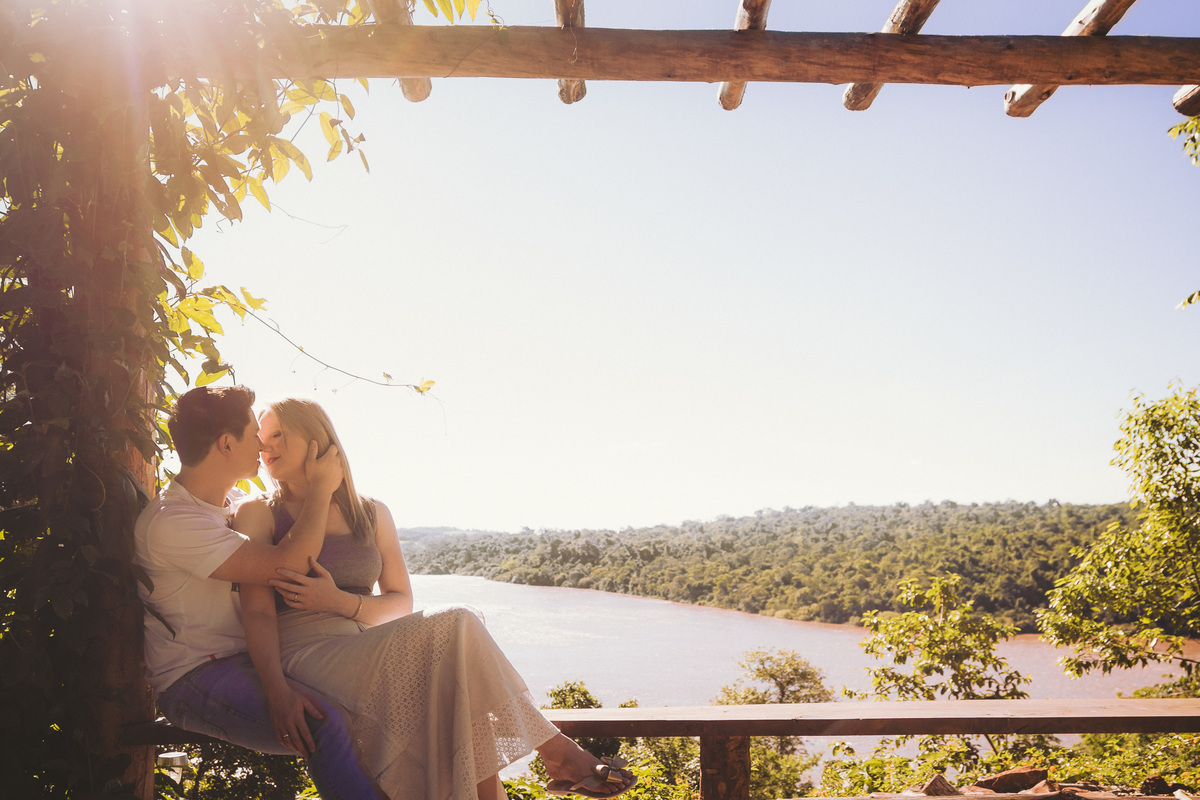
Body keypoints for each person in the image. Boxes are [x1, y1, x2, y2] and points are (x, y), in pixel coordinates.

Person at [234, 398, 637, 800]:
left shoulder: (371, 513)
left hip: (364, 644)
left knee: (455, 697)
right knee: (459, 623)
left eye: (277, 435)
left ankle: (548, 760)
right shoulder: (257, 513)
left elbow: (400, 602)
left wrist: (340, 602)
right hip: (306, 653)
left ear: (317, 439)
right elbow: (256, 612)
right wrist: (276, 689)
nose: (264, 447)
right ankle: (557, 752)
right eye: (260, 438)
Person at [134, 386, 386, 799]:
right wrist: (322, 488)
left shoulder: (233, 504)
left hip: (253, 658)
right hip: (196, 676)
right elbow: (288, 562)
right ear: (227, 443)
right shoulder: (172, 522)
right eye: (255, 433)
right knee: (324, 724)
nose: (263, 445)